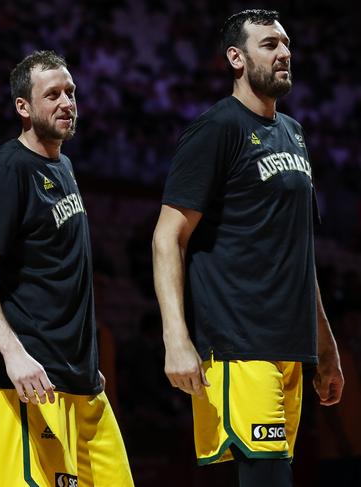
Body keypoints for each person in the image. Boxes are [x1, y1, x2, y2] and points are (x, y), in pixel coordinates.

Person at [152, 9, 344, 487]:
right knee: (267, 477)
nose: (284, 53)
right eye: (269, 45)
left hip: (290, 344)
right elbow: (167, 236)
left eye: (286, 44)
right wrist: (176, 338)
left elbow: (299, 252)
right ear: (236, 58)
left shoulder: (294, 133)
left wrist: (325, 345)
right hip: (239, 341)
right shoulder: (216, 129)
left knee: (275, 474)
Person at [0, 50, 133, 487]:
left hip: (80, 379)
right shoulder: (7, 171)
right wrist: (14, 354)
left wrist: (85, 362)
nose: (66, 102)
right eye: (52, 94)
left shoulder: (64, 166)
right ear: (23, 107)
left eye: (70, 92)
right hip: (28, 381)